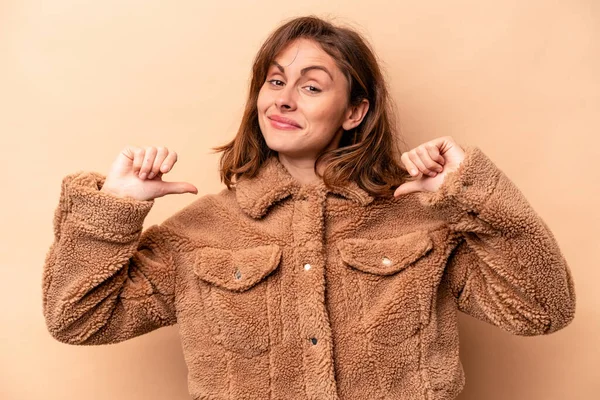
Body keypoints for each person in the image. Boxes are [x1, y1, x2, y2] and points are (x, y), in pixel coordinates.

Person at [42, 15, 576, 400]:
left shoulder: (421, 220)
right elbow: (76, 320)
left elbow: (542, 310)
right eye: (275, 82)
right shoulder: (200, 231)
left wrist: (471, 192)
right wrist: (112, 210)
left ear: (354, 111)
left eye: (311, 86)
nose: (283, 99)